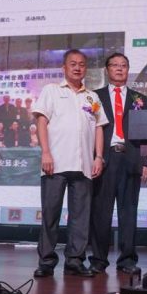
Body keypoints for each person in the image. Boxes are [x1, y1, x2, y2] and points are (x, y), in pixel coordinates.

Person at [32, 49, 108, 278]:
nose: (77, 67)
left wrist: (98, 156)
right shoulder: (52, 90)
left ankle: (75, 260)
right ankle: (46, 261)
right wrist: (46, 153)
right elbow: (41, 122)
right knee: (50, 214)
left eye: (82, 64)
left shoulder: (92, 97)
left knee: (81, 217)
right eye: (73, 64)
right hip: (55, 163)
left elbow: (99, 127)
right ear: (64, 68)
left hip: (84, 164)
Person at [88, 53, 147, 275]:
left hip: (131, 158)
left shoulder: (139, 98)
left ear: (128, 70)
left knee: (129, 211)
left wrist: (145, 162)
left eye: (123, 65)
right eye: (115, 65)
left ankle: (127, 260)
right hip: (104, 158)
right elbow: (89, 129)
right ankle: (98, 260)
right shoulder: (94, 97)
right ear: (107, 70)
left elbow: (146, 132)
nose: (119, 69)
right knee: (100, 211)